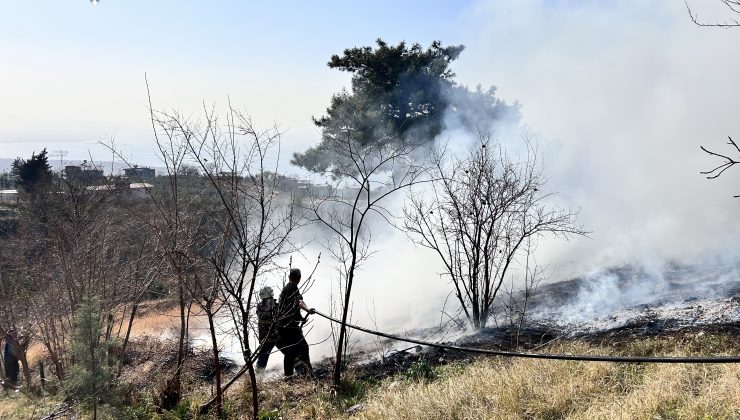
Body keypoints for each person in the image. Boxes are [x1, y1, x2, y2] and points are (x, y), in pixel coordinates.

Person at [276, 268, 315, 378]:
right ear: (296, 277)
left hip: (283, 326)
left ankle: (289, 377)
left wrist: (301, 318)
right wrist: (308, 310)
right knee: (303, 347)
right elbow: (299, 302)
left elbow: (292, 307)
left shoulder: (287, 288)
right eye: (299, 276)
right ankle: (308, 373)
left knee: (290, 352)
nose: (300, 278)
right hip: (288, 327)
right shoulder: (292, 288)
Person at [255, 286, 278, 370]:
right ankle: (301, 371)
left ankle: (258, 376)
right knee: (290, 351)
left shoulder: (259, 306)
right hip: (275, 335)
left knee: (263, 355)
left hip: (263, 336)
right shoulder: (275, 305)